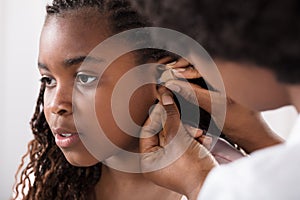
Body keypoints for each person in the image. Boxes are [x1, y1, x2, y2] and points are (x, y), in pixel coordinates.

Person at [12, 0, 203, 199]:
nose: (55, 105)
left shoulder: (221, 183)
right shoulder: (42, 187)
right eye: (48, 80)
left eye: (85, 78)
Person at [134, 0, 300, 199]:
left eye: (198, 55)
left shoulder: (251, 189)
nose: (198, 68)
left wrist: (198, 181)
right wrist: (259, 140)